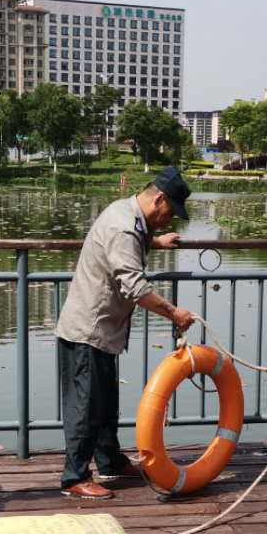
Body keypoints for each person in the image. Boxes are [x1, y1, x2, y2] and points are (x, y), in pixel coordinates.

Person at [56, 166, 197, 499]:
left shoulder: (127, 213)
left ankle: (110, 462)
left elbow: (130, 244)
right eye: (170, 212)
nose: (169, 220)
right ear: (159, 199)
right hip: (88, 330)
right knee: (86, 407)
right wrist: (173, 312)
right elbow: (135, 287)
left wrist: (155, 241)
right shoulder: (124, 226)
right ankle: (74, 477)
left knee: (105, 404)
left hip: (102, 330)